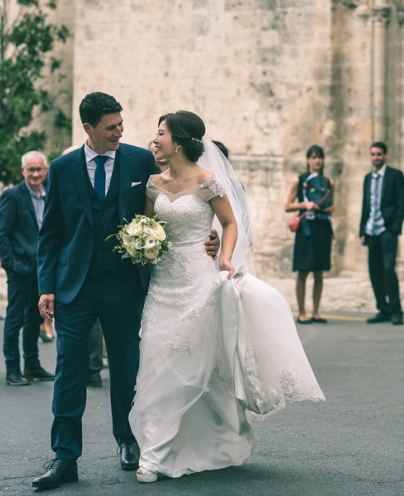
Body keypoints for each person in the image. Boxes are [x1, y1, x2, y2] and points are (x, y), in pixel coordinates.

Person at [32, 93, 218, 490]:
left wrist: (210, 235)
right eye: (110, 127)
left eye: (121, 124)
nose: (120, 131)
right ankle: (65, 457)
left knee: (127, 366)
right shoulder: (63, 168)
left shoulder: (140, 161)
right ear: (88, 129)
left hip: (124, 284)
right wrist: (46, 287)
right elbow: (50, 235)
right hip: (74, 287)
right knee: (69, 369)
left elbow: (185, 193)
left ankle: (128, 440)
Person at [130, 111, 324, 483]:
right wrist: (143, 245)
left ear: (180, 141)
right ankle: (154, 452)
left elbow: (231, 222)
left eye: (162, 134)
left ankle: (208, 440)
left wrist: (225, 256)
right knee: (157, 361)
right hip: (164, 283)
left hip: (198, 281)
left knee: (197, 363)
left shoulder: (207, 182)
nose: (157, 140)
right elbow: (148, 225)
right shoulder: (153, 184)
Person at [0, 151, 55, 386]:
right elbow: (2, 236)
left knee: (34, 319)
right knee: (14, 319)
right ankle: (12, 369)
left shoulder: (49, 194)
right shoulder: (12, 195)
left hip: (43, 270)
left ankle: (31, 365)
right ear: (23, 171)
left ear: (46, 171)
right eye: (31, 169)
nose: (36, 174)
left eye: (39, 169)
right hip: (21, 269)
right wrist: (12, 266)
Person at [285, 145, 334, 324]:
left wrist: (328, 208)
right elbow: (287, 206)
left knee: (319, 271)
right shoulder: (300, 181)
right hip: (306, 229)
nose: (316, 160)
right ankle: (302, 311)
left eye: (319, 157)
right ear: (308, 160)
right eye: (313, 157)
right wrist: (305, 205)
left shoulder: (328, 182)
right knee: (303, 271)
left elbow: (332, 206)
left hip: (322, 228)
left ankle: (316, 311)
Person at [360, 141, 404, 325]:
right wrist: (362, 230)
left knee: (388, 271)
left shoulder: (395, 175)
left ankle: (396, 310)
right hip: (371, 232)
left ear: (385, 156)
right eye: (373, 154)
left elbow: (402, 204)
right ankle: (383, 309)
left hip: (387, 231)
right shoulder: (367, 178)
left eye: (379, 154)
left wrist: (394, 228)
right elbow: (366, 205)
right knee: (375, 272)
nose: (376, 158)